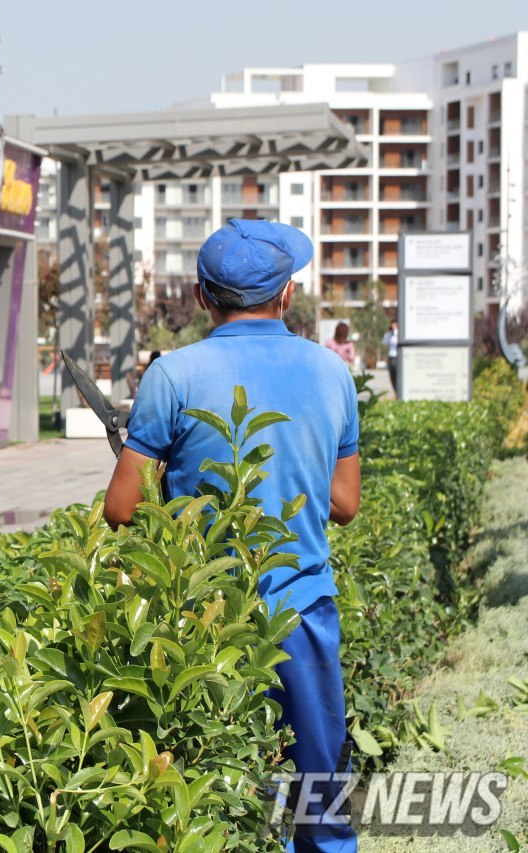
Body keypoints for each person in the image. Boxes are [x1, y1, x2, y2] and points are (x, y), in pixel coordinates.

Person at [104, 219, 361, 851]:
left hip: (203, 617)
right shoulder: (332, 373)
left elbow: (119, 509)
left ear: (200, 298)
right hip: (302, 612)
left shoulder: (173, 376)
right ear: (288, 295)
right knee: (318, 793)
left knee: (213, 795)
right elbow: (346, 504)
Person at [382, 320, 399, 397]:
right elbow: (384, 343)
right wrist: (390, 334)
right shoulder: (389, 334)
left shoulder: (399, 333)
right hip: (391, 356)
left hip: (397, 357)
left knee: (397, 375)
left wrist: (396, 333)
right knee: (391, 375)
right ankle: (395, 392)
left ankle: (398, 391)